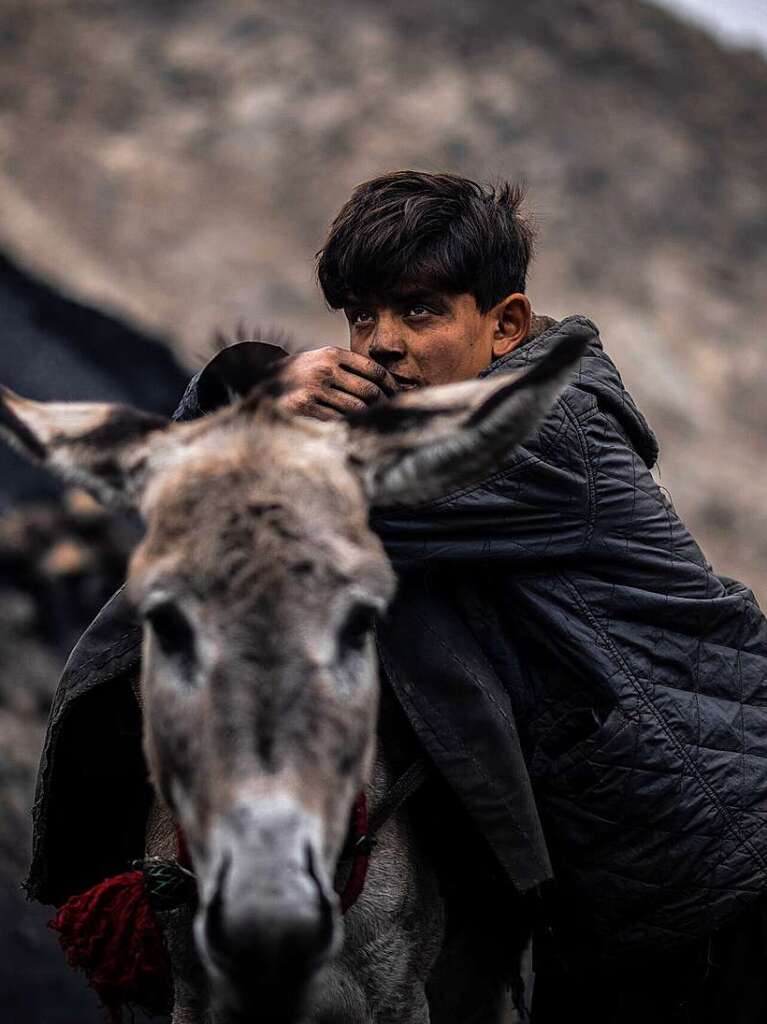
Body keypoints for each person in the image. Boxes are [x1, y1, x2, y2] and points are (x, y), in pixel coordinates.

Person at [26, 171, 767, 1022]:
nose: (379, 344)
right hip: (619, 882)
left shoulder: (545, 431)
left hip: (717, 855)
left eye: (419, 312)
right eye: (361, 316)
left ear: (507, 326)